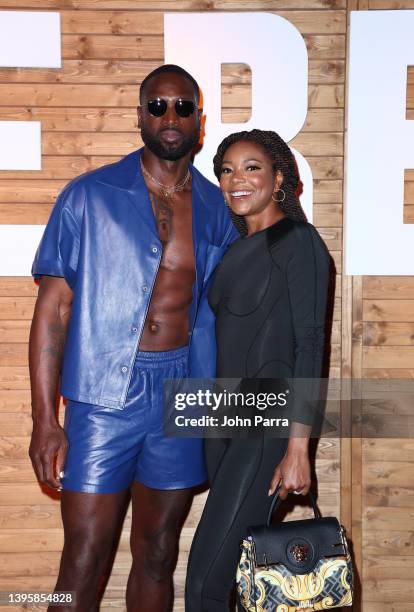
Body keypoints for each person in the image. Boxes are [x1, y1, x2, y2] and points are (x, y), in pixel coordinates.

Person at [28, 64, 238, 612]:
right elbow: (53, 311)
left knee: (158, 551)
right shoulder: (89, 195)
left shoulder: (218, 208)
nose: (171, 117)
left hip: (180, 393)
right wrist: (46, 420)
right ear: (140, 115)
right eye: (158, 106)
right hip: (102, 395)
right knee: (84, 556)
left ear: (199, 119)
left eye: (183, 107)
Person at [185, 129, 331, 611]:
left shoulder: (298, 242)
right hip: (226, 421)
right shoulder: (231, 251)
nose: (235, 179)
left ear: (279, 178)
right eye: (226, 170)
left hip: (266, 425)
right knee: (230, 580)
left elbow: (310, 346)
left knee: (205, 582)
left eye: (251, 167)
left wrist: (297, 448)